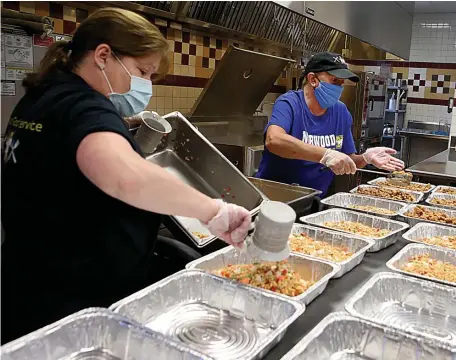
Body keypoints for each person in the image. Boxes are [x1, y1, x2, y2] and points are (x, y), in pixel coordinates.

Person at [1, 8, 251, 343]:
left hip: (30, 282)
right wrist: (213, 210)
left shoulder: (42, 97)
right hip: (71, 306)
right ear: (103, 55)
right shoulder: (85, 107)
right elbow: (126, 177)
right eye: (142, 72)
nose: (145, 84)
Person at [255, 52, 404, 197]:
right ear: (313, 79)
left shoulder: (341, 111)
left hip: (312, 201)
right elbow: (273, 140)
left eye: (341, 83)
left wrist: (365, 158)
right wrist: (325, 154)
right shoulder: (290, 103)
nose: (339, 88)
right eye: (334, 81)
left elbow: (347, 160)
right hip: (274, 200)